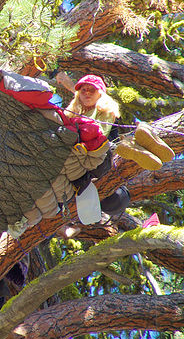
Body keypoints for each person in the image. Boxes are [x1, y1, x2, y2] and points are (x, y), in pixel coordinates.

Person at [55, 73, 174, 237]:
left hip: (97, 162)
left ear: (100, 94)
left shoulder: (104, 111)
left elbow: (98, 137)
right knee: (104, 200)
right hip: (104, 192)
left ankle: (133, 144)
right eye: (83, 90)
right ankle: (133, 144)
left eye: (92, 90)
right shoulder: (73, 115)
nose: (87, 93)